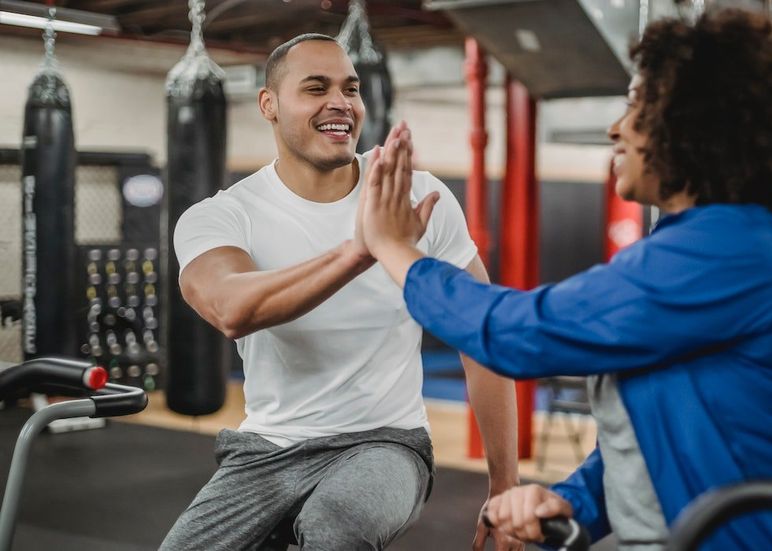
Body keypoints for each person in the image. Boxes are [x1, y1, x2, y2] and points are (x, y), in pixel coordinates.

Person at [358, 10, 772, 550]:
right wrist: (571, 503)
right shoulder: (728, 244)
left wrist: (396, 249)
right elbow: (661, 428)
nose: (615, 129)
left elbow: (518, 333)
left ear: (693, 126)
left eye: (635, 106)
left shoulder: (733, 249)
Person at [161, 33, 521, 551]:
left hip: (386, 442)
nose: (340, 102)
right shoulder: (223, 216)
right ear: (269, 104)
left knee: (336, 528)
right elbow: (231, 307)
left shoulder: (417, 196)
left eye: (350, 89)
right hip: (268, 447)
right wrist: (362, 250)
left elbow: (482, 341)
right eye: (315, 88)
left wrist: (504, 486)